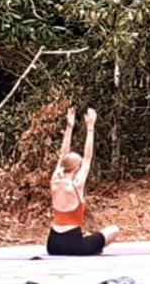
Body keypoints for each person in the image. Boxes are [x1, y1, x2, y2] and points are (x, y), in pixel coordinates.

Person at [47, 107, 119, 255]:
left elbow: (62, 154)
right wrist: (90, 127)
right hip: (74, 245)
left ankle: (89, 243)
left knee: (87, 236)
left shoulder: (55, 179)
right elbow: (88, 157)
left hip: (52, 244)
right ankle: (92, 247)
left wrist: (69, 127)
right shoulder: (77, 183)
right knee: (114, 230)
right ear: (76, 168)